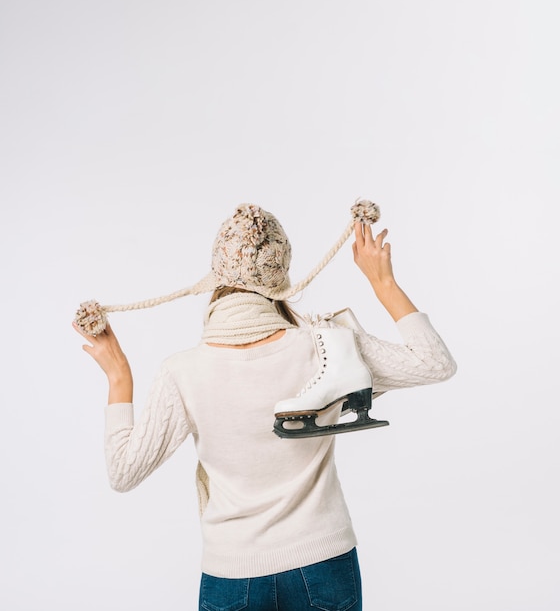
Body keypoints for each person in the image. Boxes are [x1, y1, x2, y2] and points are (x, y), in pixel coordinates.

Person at [73, 201, 456, 611]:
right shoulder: (327, 345)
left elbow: (123, 472)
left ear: (215, 276)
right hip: (324, 563)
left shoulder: (182, 371)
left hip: (232, 573)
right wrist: (383, 283)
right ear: (281, 277)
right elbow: (435, 363)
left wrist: (119, 377)